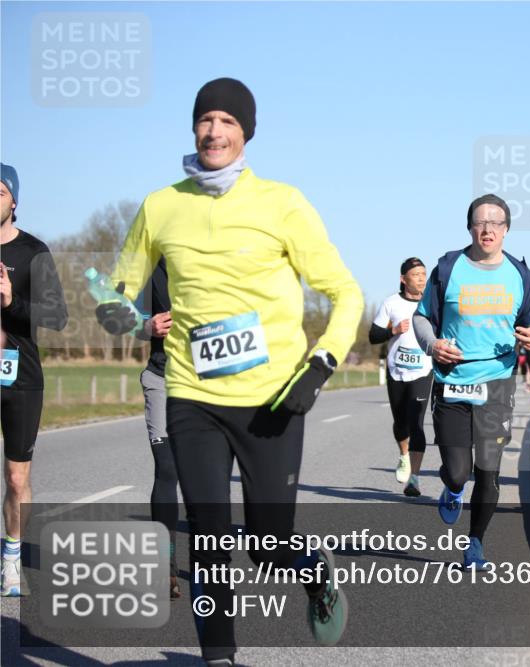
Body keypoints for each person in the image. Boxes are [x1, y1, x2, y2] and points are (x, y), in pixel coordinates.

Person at [94, 78, 363, 665]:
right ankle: (221, 659)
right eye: (205, 120)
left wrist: (321, 363)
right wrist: (117, 311)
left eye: (227, 122)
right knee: (210, 543)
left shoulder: (283, 203)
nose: (214, 132)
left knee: (268, 544)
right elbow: (117, 293)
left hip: (272, 399)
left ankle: (314, 572)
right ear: (193, 127)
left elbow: (345, 293)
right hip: (190, 394)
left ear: (246, 133)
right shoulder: (160, 205)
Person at [413, 194, 530, 570]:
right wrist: (433, 344)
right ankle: (453, 488)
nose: (487, 229)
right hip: (452, 380)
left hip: (497, 382)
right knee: (458, 470)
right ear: (470, 227)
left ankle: (475, 544)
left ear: (506, 230)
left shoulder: (520, 275)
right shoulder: (448, 268)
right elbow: (422, 317)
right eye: (480, 222)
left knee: (489, 469)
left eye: (496, 223)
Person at [0, 163, 68, 597]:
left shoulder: (33, 252)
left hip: (19, 376)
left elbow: (56, 315)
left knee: (16, 478)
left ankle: (10, 558)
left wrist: (11, 299)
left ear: (14, 201)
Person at [136, 258, 182, 598]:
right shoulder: (151, 266)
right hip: (161, 379)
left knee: (204, 479)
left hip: (210, 388)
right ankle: (165, 565)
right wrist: (144, 327)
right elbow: (111, 315)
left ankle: (211, 563)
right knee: (167, 470)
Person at [368, 258, 432, 497]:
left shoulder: (431, 304)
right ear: (403, 279)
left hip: (423, 370)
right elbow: (373, 335)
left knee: (417, 422)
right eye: (416, 274)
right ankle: (404, 456)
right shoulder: (391, 303)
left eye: (424, 274)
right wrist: (393, 330)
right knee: (400, 422)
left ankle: (414, 479)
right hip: (397, 371)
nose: (421, 279)